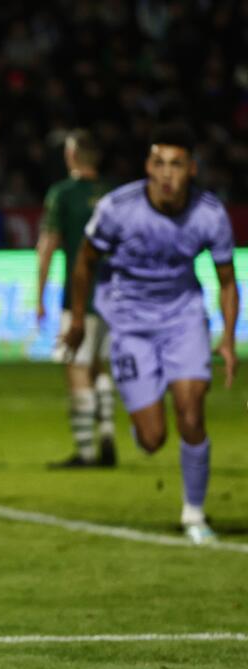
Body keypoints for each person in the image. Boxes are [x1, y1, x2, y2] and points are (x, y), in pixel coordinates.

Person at [65, 122, 238, 544]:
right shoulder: (117, 209)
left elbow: (227, 280)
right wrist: (75, 318)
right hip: (129, 324)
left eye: (176, 165)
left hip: (182, 318)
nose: (166, 174)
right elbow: (86, 262)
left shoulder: (210, 214)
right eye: (158, 163)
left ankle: (194, 513)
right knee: (153, 438)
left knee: (192, 410)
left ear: (191, 169)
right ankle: (143, 415)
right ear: (147, 166)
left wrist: (229, 338)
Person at [36, 130, 116, 468]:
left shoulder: (63, 194)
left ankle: (86, 452)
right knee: (99, 364)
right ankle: (108, 428)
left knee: (77, 367)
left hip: (79, 296)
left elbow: (49, 244)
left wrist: (39, 294)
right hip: (115, 295)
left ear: (71, 156)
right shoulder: (115, 195)